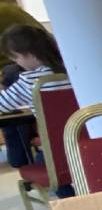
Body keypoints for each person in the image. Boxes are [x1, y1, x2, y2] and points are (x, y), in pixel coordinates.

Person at [0, 25, 69, 171]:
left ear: (30, 54)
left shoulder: (31, 81)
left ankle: (67, 193)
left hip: (56, 149)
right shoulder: (71, 71)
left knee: (39, 161)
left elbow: (2, 104)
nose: (16, 62)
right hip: (84, 138)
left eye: (16, 57)